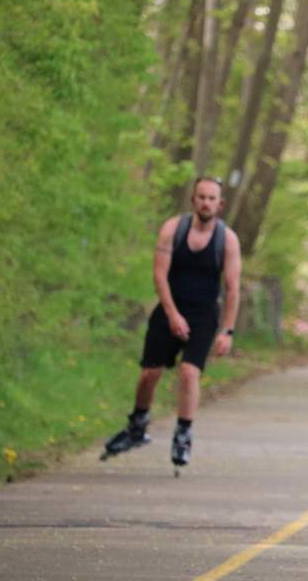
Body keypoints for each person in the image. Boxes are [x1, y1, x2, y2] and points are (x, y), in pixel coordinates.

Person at [102, 177, 242, 468]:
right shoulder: (172, 230)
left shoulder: (226, 240)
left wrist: (227, 330)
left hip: (204, 315)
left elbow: (232, 288)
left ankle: (183, 433)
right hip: (169, 309)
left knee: (189, 373)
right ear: (193, 200)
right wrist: (172, 314)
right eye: (201, 197)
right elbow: (159, 275)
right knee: (149, 374)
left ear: (220, 204)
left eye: (211, 198)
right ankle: (137, 425)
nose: (206, 202)